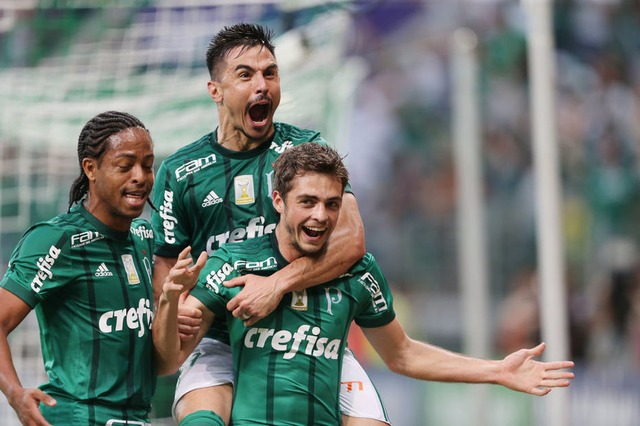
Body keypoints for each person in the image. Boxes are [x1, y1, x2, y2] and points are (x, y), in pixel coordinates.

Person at [154, 142, 575, 425]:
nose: (320, 216)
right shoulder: (232, 263)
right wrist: (171, 301)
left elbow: (403, 354)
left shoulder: (359, 274)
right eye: (307, 202)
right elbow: (171, 357)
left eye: (331, 204)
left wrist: (496, 370)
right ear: (278, 201)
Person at [150, 23, 381, 425]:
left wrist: (276, 285)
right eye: (246, 75)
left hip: (308, 334)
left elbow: (352, 239)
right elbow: (168, 265)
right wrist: (174, 307)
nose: (262, 85)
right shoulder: (180, 171)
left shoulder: (307, 151)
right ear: (215, 91)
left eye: (270, 73)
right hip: (221, 336)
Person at [0, 111, 205, 425]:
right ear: (90, 168)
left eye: (148, 165)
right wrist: (14, 392)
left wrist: (171, 308)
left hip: (138, 418)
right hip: (75, 417)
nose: (140, 176)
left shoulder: (146, 238)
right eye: (125, 166)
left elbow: (162, 359)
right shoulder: (57, 240)